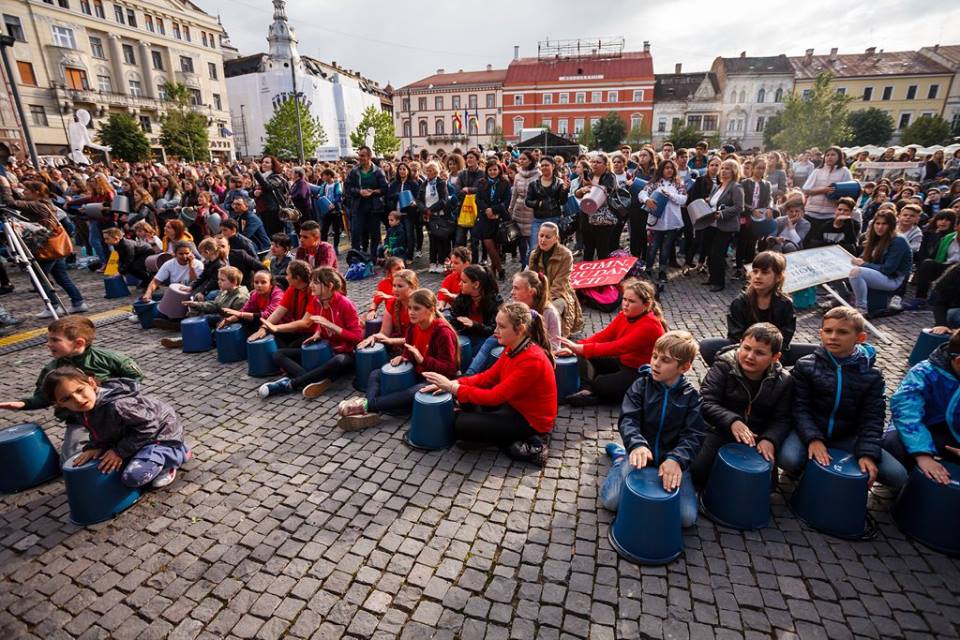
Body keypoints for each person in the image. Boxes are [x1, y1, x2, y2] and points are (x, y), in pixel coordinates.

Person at [781, 307, 907, 489]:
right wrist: (813, 439)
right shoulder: (805, 366)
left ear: (860, 338)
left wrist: (867, 453)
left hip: (847, 436)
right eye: (828, 331)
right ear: (821, 334)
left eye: (842, 332)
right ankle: (802, 472)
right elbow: (799, 407)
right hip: (808, 430)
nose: (833, 337)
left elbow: (873, 418)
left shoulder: (872, 376)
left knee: (898, 475)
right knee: (789, 459)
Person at [422, 302, 556, 466]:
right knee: (467, 401)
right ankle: (502, 437)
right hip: (515, 406)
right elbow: (488, 377)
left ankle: (532, 441)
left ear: (520, 330)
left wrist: (452, 388)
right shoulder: (513, 346)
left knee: (462, 424)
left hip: (532, 420)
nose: (495, 331)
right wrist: (453, 383)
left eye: (501, 326)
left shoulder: (532, 360)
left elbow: (495, 397)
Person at [0, 316, 143, 464]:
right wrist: (23, 404)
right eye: (48, 339)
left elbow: (135, 377)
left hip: (114, 415)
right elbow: (44, 397)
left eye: (55, 340)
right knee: (69, 461)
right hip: (79, 421)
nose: (48, 344)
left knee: (139, 436)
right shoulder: (51, 370)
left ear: (79, 342)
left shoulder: (108, 358)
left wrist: (117, 399)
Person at [598, 331, 705, 528]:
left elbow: (694, 435)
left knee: (686, 518)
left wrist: (677, 459)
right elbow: (628, 419)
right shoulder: (640, 386)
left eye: (665, 360)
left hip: (673, 462)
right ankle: (620, 459)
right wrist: (637, 444)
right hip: (640, 457)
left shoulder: (693, 398)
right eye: (655, 356)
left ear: (684, 367)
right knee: (610, 501)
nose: (656, 363)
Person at [41, 368, 188, 489]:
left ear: (91, 383)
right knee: (106, 463)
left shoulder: (118, 405)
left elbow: (150, 426)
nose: (78, 400)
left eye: (79, 390)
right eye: (67, 399)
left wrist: (119, 451)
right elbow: (100, 430)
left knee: (133, 477)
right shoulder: (86, 408)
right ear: (59, 404)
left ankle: (176, 455)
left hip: (162, 437)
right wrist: (95, 446)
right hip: (134, 435)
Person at [690, 323, 794, 488]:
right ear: (740, 344)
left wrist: (770, 439)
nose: (750, 356)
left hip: (757, 436)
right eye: (746, 348)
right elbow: (705, 401)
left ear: (775, 357)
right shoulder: (723, 367)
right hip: (720, 429)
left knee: (767, 486)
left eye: (759, 353)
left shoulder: (783, 380)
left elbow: (782, 418)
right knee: (698, 472)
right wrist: (732, 421)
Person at [338, 289, 459, 428]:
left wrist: (422, 360)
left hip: (436, 378)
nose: (411, 312)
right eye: (410, 308)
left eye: (416, 308)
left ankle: (366, 405)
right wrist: (404, 357)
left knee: (412, 392)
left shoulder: (443, 332)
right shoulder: (413, 326)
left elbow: (450, 368)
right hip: (417, 370)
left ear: (431, 309)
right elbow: (409, 349)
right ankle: (370, 407)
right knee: (376, 374)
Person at [258, 267, 363, 399]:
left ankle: (291, 384)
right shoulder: (317, 301)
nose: (311, 285)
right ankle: (314, 378)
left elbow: (358, 338)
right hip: (324, 349)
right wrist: (318, 333)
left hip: (344, 353)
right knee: (279, 354)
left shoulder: (346, 304)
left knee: (338, 361)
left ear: (329, 286)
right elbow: (319, 323)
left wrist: (331, 325)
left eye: (316, 282)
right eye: (311, 281)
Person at [698, 251, 816, 367]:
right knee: (707, 346)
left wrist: (769, 356)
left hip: (773, 352)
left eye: (765, 272)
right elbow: (735, 336)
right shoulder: (740, 302)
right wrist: (752, 352)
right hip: (745, 351)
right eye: (755, 271)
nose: (758, 276)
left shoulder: (784, 303)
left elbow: (786, 336)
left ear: (778, 277)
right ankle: (732, 374)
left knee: (818, 351)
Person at [560, 279, 667, 406]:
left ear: (646, 304)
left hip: (640, 372)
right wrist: (577, 347)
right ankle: (587, 388)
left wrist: (581, 348)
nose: (625, 304)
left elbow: (618, 347)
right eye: (625, 299)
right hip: (623, 362)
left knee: (601, 382)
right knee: (581, 355)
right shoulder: (625, 315)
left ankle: (596, 392)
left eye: (631, 301)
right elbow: (604, 336)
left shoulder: (650, 325)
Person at [0, 176, 88, 317]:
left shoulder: (37, 205)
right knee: (61, 276)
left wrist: (4, 185)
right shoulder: (43, 203)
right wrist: (11, 187)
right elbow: (18, 201)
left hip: (45, 246)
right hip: (53, 245)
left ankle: (53, 306)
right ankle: (78, 303)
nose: (24, 192)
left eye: (27, 190)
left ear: (36, 192)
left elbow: (10, 203)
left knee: (39, 279)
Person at [883, 329, 959, 486]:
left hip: (954, 439)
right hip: (922, 432)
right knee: (892, 445)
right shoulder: (924, 373)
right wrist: (922, 454)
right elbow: (906, 412)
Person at [465, 270, 562, 375]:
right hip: (515, 343)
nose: (511, 292)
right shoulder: (516, 306)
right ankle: (469, 374)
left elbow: (555, 345)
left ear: (531, 291)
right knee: (490, 341)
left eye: (516, 288)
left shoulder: (549, 312)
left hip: (533, 353)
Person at [161, 266, 249, 350]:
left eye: (222, 280)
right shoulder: (225, 291)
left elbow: (239, 318)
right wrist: (197, 304)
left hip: (232, 323)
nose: (219, 282)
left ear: (233, 282)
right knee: (201, 316)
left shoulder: (240, 297)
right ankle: (188, 337)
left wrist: (224, 322)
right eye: (219, 279)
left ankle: (191, 340)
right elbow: (215, 305)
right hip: (221, 317)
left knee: (211, 328)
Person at [849, 209, 912, 314]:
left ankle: (861, 308)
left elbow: (887, 269)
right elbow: (864, 259)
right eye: (877, 223)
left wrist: (864, 264)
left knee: (856, 272)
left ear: (891, 225)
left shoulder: (898, 240)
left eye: (884, 224)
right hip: (878, 273)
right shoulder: (875, 237)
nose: (880, 227)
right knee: (840, 271)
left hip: (893, 279)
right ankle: (843, 297)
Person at [528, 222, 583, 337]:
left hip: (560, 294)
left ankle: (550, 337)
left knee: (551, 310)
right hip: (539, 292)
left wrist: (544, 300)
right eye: (541, 235)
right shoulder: (534, 254)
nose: (543, 240)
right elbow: (531, 279)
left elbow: (560, 284)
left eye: (548, 237)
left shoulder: (566, 255)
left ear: (556, 238)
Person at [247, 260, 313, 347]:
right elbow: (278, 312)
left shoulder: (313, 291)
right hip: (298, 331)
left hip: (312, 334)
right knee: (266, 333)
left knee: (280, 354)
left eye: (288, 274)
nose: (286, 277)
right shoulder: (292, 289)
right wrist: (264, 328)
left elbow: (306, 323)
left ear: (297, 278)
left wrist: (276, 328)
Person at [701, 158, 744, 292]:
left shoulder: (736, 187)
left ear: (734, 171)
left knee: (718, 254)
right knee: (710, 252)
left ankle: (719, 282)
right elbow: (714, 203)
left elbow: (739, 207)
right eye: (723, 168)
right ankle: (712, 278)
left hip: (725, 225)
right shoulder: (717, 186)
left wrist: (723, 213)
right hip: (711, 224)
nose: (724, 171)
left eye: (728, 168)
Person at [642, 159, 687, 285]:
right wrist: (647, 200)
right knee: (652, 246)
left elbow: (684, 199)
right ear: (661, 169)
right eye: (666, 167)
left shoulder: (678, 184)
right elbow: (642, 193)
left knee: (666, 247)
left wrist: (671, 195)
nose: (669, 170)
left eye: (671, 168)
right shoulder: (655, 183)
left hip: (671, 221)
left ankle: (662, 270)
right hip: (656, 221)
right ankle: (648, 269)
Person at [802, 146, 853, 247]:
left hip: (830, 215)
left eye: (833, 155)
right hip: (811, 213)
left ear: (839, 157)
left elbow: (849, 192)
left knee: (826, 242)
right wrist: (823, 190)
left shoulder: (844, 171)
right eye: (827, 155)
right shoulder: (817, 171)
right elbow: (806, 189)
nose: (829, 157)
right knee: (808, 241)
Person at [357, 269, 419, 352]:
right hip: (398, 343)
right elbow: (384, 332)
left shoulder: (419, 306)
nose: (395, 289)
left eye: (400, 286)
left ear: (412, 287)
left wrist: (390, 341)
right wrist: (373, 337)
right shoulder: (392, 303)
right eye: (394, 285)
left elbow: (417, 339)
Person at [575, 153, 621, 261]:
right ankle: (588, 274)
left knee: (602, 250)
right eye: (593, 162)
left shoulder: (610, 176)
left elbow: (607, 191)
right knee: (588, 249)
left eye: (598, 162)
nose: (595, 164)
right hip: (586, 216)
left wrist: (592, 185)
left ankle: (603, 275)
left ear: (605, 165)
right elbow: (577, 193)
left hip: (603, 219)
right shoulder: (588, 175)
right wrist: (582, 190)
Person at [345, 146, 388, 256]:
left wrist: (373, 192)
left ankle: (374, 257)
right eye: (359, 156)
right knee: (355, 233)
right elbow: (348, 188)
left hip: (374, 208)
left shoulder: (378, 172)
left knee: (375, 234)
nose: (360, 158)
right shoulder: (354, 172)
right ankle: (356, 257)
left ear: (369, 156)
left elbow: (385, 188)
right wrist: (359, 192)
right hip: (358, 207)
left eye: (363, 156)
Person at [475, 159, 512, 281]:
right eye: (490, 170)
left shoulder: (505, 183)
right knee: (489, 245)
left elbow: (506, 201)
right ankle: (501, 270)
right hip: (485, 218)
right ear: (487, 170)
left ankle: (493, 270)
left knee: (497, 246)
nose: (492, 172)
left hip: (499, 217)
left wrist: (494, 210)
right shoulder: (482, 182)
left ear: (499, 170)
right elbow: (478, 199)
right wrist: (487, 210)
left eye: (495, 169)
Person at [737, 158, 773, 276]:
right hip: (746, 216)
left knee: (752, 243)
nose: (760, 170)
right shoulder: (745, 183)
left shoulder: (766, 184)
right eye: (758, 168)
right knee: (742, 241)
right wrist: (752, 210)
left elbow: (768, 199)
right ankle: (738, 266)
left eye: (763, 168)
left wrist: (768, 208)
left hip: (759, 218)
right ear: (752, 168)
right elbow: (741, 200)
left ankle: (749, 267)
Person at [220, 270, 284, 335]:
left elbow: (269, 315)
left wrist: (240, 314)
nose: (259, 285)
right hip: (264, 323)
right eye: (256, 282)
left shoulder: (278, 294)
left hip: (280, 326)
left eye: (263, 282)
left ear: (271, 284)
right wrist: (229, 319)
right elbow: (245, 310)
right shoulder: (255, 294)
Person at [418, 161, 452, 273]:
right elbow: (419, 200)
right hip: (428, 216)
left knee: (441, 239)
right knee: (432, 240)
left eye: (431, 170)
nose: (429, 172)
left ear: (436, 171)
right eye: (427, 170)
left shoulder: (441, 183)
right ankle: (432, 262)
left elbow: (444, 200)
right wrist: (424, 209)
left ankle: (441, 262)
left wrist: (431, 209)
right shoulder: (424, 184)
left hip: (439, 215)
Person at [508, 152, 539, 268]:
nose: (521, 161)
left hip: (531, 210)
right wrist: (510, 209)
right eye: (520, 159)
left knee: (532, 241)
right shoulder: (517, 176)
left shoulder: (538, 174)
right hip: (518, 209)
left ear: (530, 160)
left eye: (524, 159)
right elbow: (514, 194)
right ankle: (523, 264)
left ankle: (532, 264)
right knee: (520, 240)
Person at [454, 149, 485, 261]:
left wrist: (468, 189)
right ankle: (458, 263)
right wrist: (470, 191)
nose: (469, 160)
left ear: (477, 159)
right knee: (459, 240)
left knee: (474, 242)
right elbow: (457, 191)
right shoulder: (462, 174)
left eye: (471, 157)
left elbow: (482, 190)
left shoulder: (482, 174)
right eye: (467, 158)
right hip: (463, 210)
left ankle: (474, 264)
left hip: (477, 211)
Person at [386, 161, 419, 261]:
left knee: (409, 235)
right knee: (398, 235)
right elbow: (388, 196)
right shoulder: (394, 183)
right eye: (400, 169)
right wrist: (396, 195)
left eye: (404, 169)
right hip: (397, 213)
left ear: (408, 171)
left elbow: (418, 197)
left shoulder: (413, 183)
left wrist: (414, 202)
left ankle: (409, 256)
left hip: (409, 213)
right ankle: (399, 255)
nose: (402, 171)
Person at [253, 155, 289, 237]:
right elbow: (251, 191)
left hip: (273, 211)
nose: (264, 164)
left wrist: (257, 172)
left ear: (273, 165)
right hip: (262, 210)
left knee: (275, 235)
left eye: (267, 162)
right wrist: (254, 193)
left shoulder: (276, 177)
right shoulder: (262, 176)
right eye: (263, 162)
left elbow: (268, 186)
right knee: (268, 235)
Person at [316, 168, 343, 252]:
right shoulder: (324, 185)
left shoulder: (336, 184)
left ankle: (335, 247)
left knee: (336, 230)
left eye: (323, 175)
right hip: (326, 211)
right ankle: (323, 246)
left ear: (329, 175)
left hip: (335, 211)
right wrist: (319, 196)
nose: (322, 177)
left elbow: (339, 195)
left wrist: (333, 203)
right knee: (324, 230)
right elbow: (320, 194)